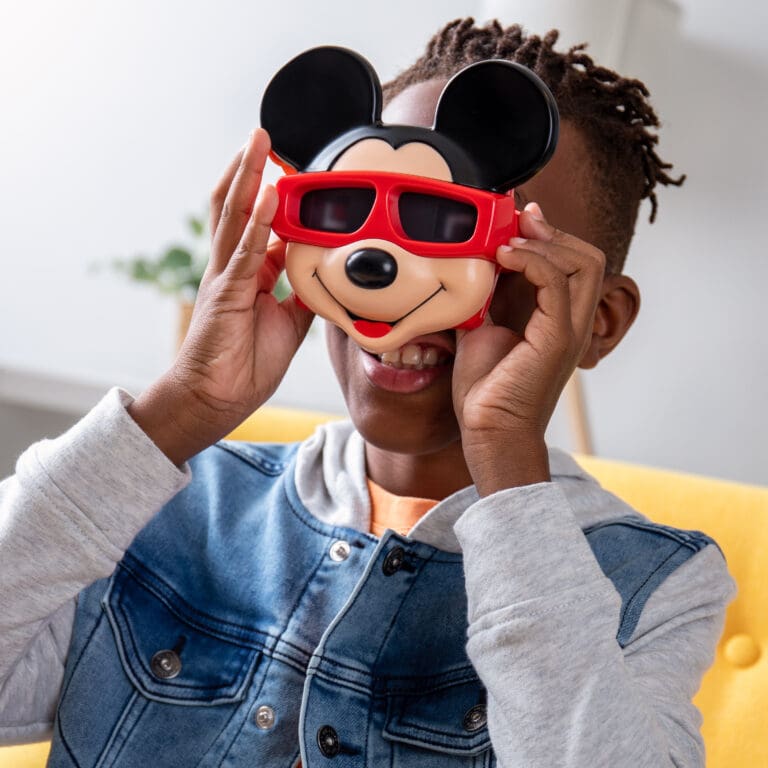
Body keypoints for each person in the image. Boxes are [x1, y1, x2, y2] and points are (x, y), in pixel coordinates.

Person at [0, 18, 735, 768]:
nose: (387, 270)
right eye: (353, 210)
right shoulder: (162, 498)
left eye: (457, 228)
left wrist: (510, 466)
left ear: (596, 322)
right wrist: (179, 410)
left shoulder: (654, 584)